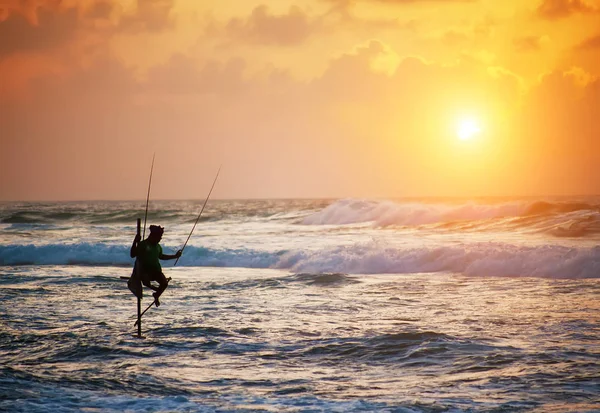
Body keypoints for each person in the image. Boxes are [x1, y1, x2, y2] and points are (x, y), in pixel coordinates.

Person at [128, 225, 182, 307]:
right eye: (159, 237)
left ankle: (156, 295)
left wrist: (175, 256)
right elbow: (132, 254)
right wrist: (135, 241)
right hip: (145, 271)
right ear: (152, 235)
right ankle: (155, 289)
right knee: (146, 282)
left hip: (156, 271)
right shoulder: (143, 244)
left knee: (164, 283)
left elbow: (161, 256)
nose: (160, 239)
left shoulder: (158, 246)